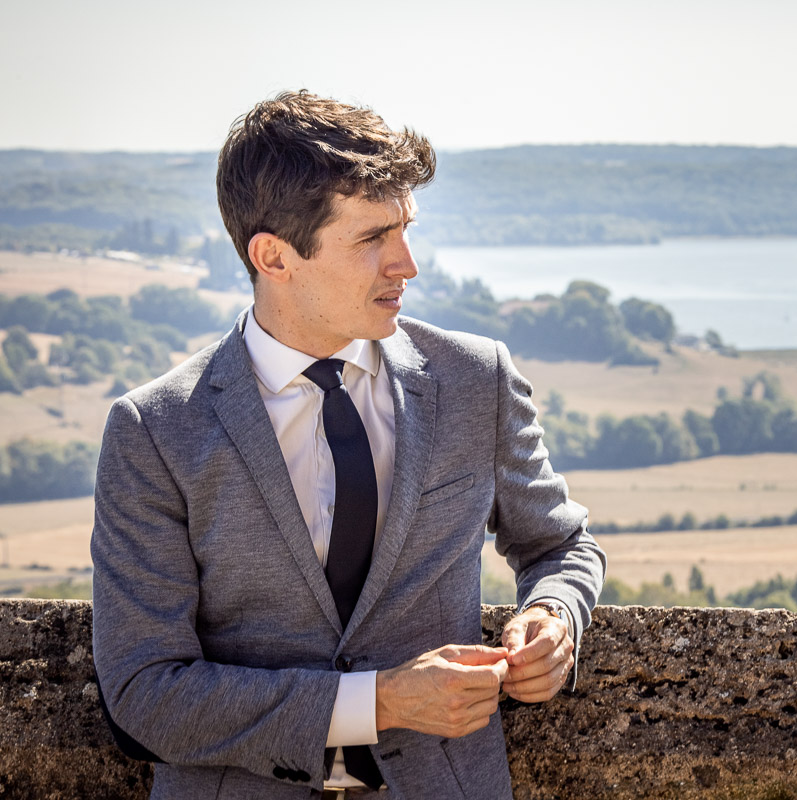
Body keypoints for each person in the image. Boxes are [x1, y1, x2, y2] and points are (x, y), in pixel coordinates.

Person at [90, 90, 606, 800]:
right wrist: (382, 702)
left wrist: (553, 616)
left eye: (405, 229)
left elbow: (559, 546)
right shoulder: (154, 430)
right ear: (274, 256)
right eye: (372, 239)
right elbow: (144, 693)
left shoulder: (474, 380)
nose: (407, 264)